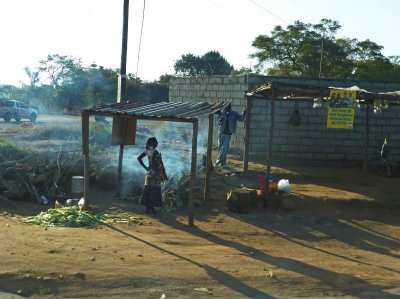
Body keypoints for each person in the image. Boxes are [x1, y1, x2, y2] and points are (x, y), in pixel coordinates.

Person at [137, 137, 168, 214]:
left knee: (149, 191)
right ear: (152, 143)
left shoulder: (149, 151)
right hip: (154, 175)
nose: (157, 143)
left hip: (150, 174)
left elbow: (139, 158)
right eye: (155, 142)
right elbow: (159, 164)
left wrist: (146, 168)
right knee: (153, 191)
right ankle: (151, 209)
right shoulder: (153, 151)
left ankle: (148, 209)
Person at [214, 102, 246, 167]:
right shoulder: (221, 113)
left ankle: (218, 161)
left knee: (224, 149)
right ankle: (223, 164)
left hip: (228, 134)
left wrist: (244, 112)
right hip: (221, 133)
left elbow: (241, 118)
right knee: (220, 149)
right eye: (225, 107)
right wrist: (220, 120)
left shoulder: (234, 113)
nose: (226, 108)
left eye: (227, 107)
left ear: (230, 107)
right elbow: (218, 122)